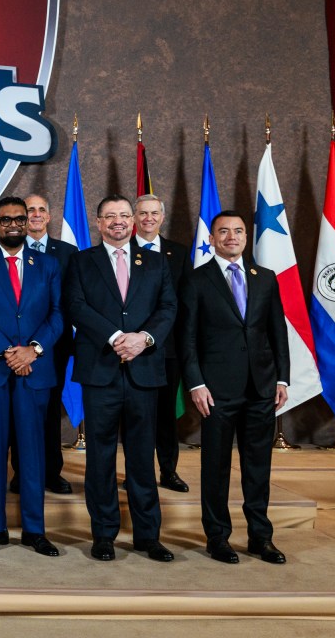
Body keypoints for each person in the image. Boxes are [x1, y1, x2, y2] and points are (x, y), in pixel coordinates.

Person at [62, 194, 177, 562]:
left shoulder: (157, 263)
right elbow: (76, 306)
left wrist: (143, 339)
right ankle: (104, 535)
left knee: (143, 457)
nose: (118, 222)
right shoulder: (81, 261)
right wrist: (115, 338)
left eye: (124, 216)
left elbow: (168, 307)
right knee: (101, 458)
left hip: (144, 371)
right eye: (109, 216)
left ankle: (148, 536)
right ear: (98, 223)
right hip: (101, 372)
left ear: (134, 221)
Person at [179, 211, 290, 564]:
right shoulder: (196, 281)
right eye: (223, 231)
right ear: (211, 238)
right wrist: (195, 382)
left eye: (238, 231)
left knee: (258, 467)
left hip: (261, 388)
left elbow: (278, 333)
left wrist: (282, 378)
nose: (231, 237)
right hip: (215, 390)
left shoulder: (266, 279)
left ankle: (261, 537)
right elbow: (188, 339)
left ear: (246, 237)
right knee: (216, 467)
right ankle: (218, 537)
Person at [0, 197, 63, 557]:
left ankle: (35, 530)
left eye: (21, 218)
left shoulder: (48, 264)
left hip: (34, 371)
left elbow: (57, 313)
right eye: (7, 220)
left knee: (33, 453)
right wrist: (8, 352)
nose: (15, 224)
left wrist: (33, 349)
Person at [10, 194, 75, 495]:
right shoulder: (9, 250)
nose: (35, 215)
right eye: (29, 210)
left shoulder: (68, 253)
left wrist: (42, 343)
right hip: (14, 349)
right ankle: (20, 473)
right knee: (17, 410)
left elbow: (69, 304)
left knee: (48, 411)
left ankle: (51, 471)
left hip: (53, 346)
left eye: (41, 210)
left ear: (49, 217)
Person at [133, 193, 191, 494]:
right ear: (133, 218)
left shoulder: (179, 254)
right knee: (137, 416)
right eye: (142, 213)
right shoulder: (121, 251)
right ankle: (137, 473)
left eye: (154, 213)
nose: (148, 219)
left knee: (166, 415)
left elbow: (185, 305)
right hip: (130, 349)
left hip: (167, 350)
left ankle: (168, 471)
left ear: (162, 217)